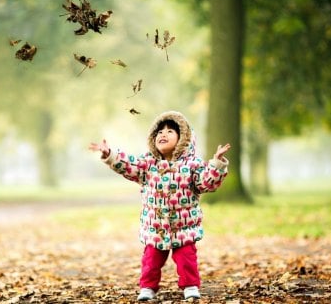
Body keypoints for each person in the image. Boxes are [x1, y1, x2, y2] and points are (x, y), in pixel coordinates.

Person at [89, 110, 230, 301]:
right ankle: (147, 287)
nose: (163, 134)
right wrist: (110, 155)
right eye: (160, 131)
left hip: (184, 227)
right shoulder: (148, 164)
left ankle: (190, 286)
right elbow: (129, 165)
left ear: (183, 139)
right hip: (155, 227)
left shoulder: (193, 164)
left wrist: (217, 164)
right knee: (151, 261)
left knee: (187, 259)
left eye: (170, 131)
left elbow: (206, 183)